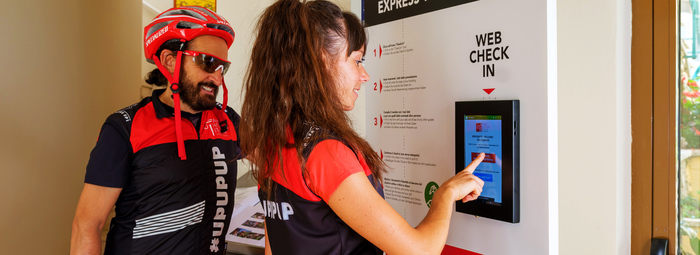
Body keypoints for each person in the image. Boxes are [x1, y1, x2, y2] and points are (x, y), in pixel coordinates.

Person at [240, 0, 486, 254]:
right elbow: (420, 250)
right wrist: (446, 194)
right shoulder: (327, 153)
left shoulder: (276, 141)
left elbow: (274, 247)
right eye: (357, 60)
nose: (365, 75)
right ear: (322, 61)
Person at [70, 6, 243, 255]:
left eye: (222, 68)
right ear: (169, 61)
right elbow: (86, 226)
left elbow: (277, 158)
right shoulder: (124, 127)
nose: (217, 78)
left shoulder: (227, 120)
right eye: (208, 62)